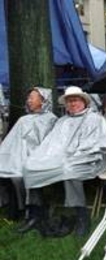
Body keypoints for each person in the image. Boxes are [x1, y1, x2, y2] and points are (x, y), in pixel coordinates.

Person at [21, 86, 106, 236]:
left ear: (84, 101)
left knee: (69, 170)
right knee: (30, 167)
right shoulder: (61, 121)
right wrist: (41, 156)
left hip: (89, 160)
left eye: (75, 100)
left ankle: (81, 215)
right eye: (69, 101)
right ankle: (35, 212)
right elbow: (50, 144)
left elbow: (105, 143)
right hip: (60, 158)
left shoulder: (95, 119)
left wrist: (80, 153)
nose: (72, 104)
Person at [0, 87, 57, 218]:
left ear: (43, 100)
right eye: (28, 98)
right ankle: (15, 207)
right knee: (8, 172)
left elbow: (50, 143)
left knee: (18, 176)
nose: (28, 100)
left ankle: (24, 210)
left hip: (39, 158)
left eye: (32, 97)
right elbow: (12, 142)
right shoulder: (23, 120)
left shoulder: (51, 120)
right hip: (18, 157)